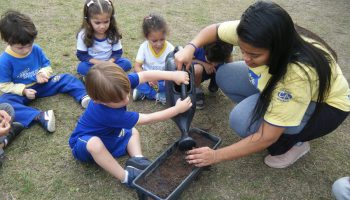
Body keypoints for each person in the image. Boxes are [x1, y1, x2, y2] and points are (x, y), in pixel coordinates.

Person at [175, 1, 350, 168]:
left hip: (326, 107)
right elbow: (214, 30)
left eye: (254, 54)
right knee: (225, 74)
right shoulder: (256, 32)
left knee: (242, 122)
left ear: (277, 49)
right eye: (243, 50)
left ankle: (296, 142)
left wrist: (215, 155)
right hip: (283, 86)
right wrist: (190, 47)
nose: (245, 58)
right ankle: (276, 112)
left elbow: (266, 137)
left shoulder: (296, 75)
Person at [68, 62, 192, 188]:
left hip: (109, 137)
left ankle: (138, 160)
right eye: (119, 100)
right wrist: (176, 110)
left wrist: (173, 75)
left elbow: (144, 76)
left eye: (127, 92)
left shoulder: (117, 84)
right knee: (95, 144)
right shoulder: (109, 114)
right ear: (98, 101)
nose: (126, 99)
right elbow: (148, 118)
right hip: (84, 145)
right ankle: (126, 177)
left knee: (132, 131)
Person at [0, 10, 90, 133]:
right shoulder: (4, 60)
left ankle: (84, 96)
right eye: (21, 47)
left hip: (42, 85)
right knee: (4, 104)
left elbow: (46, 65)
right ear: (8, 42)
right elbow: (4, 85)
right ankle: (40, 116)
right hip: (21, 93)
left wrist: (43, 73)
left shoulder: (36, 49)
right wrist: (23, 90)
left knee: (65, 78)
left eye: (29, 45)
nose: (26, 50)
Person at [76, 0, 132, 78]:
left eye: (106, 22)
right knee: (82, 68)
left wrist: (109, 62)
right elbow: (81, 55)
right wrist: (99, 63)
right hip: (93, 64)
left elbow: (117, 52)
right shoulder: (83, 34)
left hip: (110, 62)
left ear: (111, 19)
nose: (102, 26)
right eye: (97, 23)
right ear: (88, 20)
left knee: (126, 63)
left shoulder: (113, 32)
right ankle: (109, 74)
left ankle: (100, 74)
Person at [132, 13, 174, 105]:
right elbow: (137, 66)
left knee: (172, 82)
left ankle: (144, 93)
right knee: (133, 77)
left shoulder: (170, 48)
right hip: (147, 78)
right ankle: (157, 96)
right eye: (154, 41)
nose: (159, 44)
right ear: (146, 37)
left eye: (162, 39)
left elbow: (173, 69)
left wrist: (162, 81)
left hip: (162, 79)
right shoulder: (143, 47)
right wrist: (147, 78)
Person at [192, 40, 233, 109]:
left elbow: (231, 66)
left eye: (217, 62)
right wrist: (203, 63)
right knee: (197, 69)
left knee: (225, 68)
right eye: (210, 61)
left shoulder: (224, 51)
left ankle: (214, 84)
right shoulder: (197, 48)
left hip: (215, 73)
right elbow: (188, 60)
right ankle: (196, 90)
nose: (214, 64)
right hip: (200, 73)